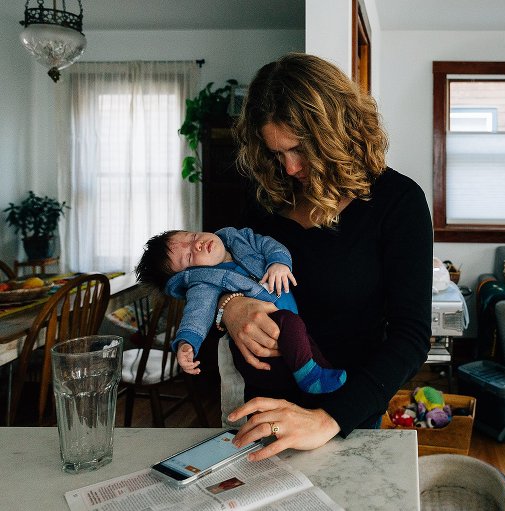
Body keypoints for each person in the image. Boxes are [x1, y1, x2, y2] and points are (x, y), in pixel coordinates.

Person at [221, 53, 433, 460]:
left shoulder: (398, 202)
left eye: (299, 149)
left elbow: (410, 337)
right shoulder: (264, 197)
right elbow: (217, 270)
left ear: (337, 130)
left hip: (346, 412)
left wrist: (328, 418)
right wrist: (229, 308)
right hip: (263, 411)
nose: (290, 167)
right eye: (277, 153)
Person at [134, 227, 347, 394]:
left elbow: (269, 245)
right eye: (189, 257)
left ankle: (325, 382)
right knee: (292, 330)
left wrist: (279, 263)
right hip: (261, 339)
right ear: (189, 273)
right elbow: (196, 313)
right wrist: (187, 342)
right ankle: (312, 383)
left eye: (192, 237)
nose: (197, 245)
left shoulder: (239, 237)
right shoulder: (203, 283)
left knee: (309, 348)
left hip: (290, 325)